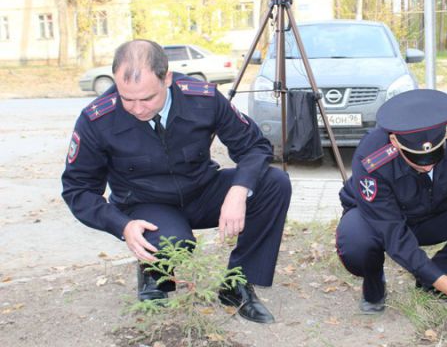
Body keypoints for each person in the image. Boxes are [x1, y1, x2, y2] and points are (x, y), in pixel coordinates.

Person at [62, 39, 291, 324]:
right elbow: (78, 189)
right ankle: (154, 273)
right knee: (175, 244)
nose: (137, 108)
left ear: (167, 78)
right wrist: (122, 226)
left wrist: (238, 191)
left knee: (274, 183)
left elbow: (254, 146)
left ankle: (237, 284)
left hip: (201, 190)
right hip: (146, 205)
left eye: (147, 98)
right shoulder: (97, 118)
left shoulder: (203, 98)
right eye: (127, 98)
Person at [336, 89, 447, 313]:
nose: (427, 166)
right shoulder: (372, 157)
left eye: (434, 156)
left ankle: (440, 278)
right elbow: (390, 230)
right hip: (378, 219)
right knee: (357, 243)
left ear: (446, 133)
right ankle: (375, 285)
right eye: (417, 159)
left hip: (433, 211)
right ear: (395, 141)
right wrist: (439, 280)